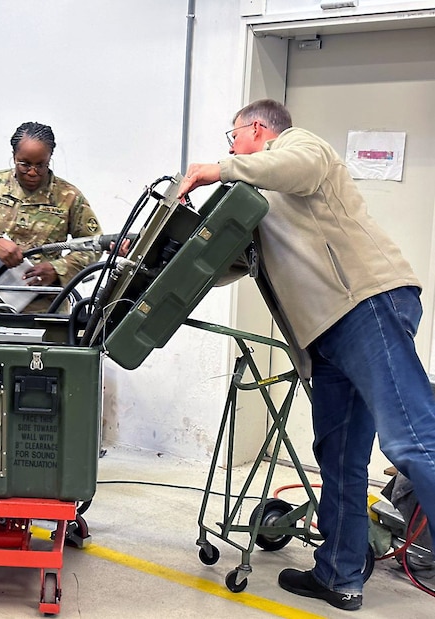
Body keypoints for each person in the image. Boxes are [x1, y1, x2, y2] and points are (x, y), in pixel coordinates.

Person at [177, 99, 435, 611]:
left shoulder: (298, 146)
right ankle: (339, 577)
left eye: (232, 137)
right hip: (327, 335)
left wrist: (215, 169)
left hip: (366, 306)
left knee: (412, 440)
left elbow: (296, 167)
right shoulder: (254, 199)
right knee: (339, 460)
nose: (228, 147)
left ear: (257, 129)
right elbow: (230, 262)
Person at [0, 121, 102, 313]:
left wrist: (58, 268)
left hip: (47, 308)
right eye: (25, 164)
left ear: (50, 158)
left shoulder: (69, 196)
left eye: (41, 165)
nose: (32, 172)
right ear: (14, 157)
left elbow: (93, 245)